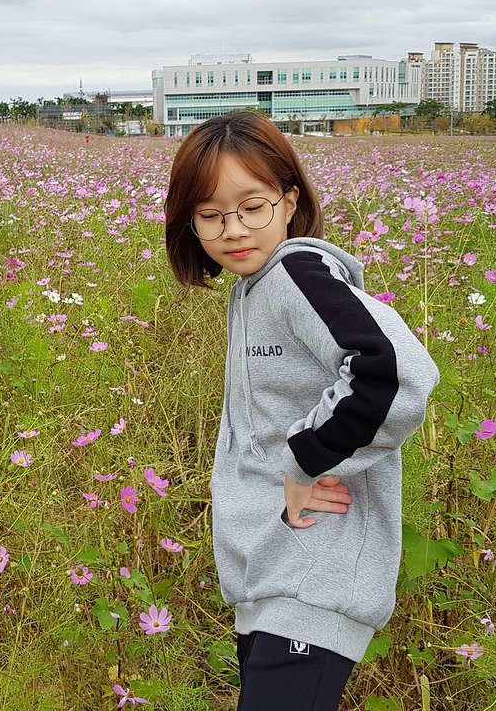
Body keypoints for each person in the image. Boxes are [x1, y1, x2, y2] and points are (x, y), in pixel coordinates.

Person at [164, 111, 441, 711]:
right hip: (272, 568)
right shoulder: (254, 287)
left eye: (253, 206)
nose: (233, 229)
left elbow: (395, 374)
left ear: (290, 201)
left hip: (315, 575)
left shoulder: (296, 274)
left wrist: (303, 462)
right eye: (210, 216)